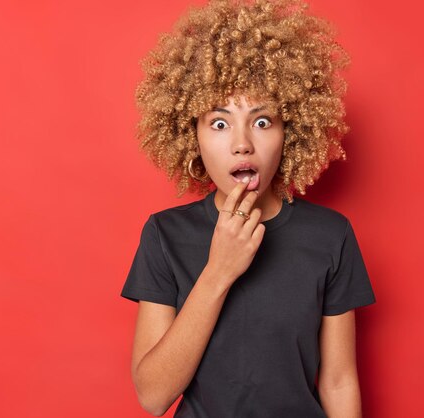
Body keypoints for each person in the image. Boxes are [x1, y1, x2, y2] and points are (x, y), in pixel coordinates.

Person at [121, 0, 376, 416]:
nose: (242, 143)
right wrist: (219, 271)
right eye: (219, 123)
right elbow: (152, 396)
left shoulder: (331, 235)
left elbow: (338, 379)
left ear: (290, 130)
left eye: (261, 121)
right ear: (194, 138)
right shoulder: (165, 235)